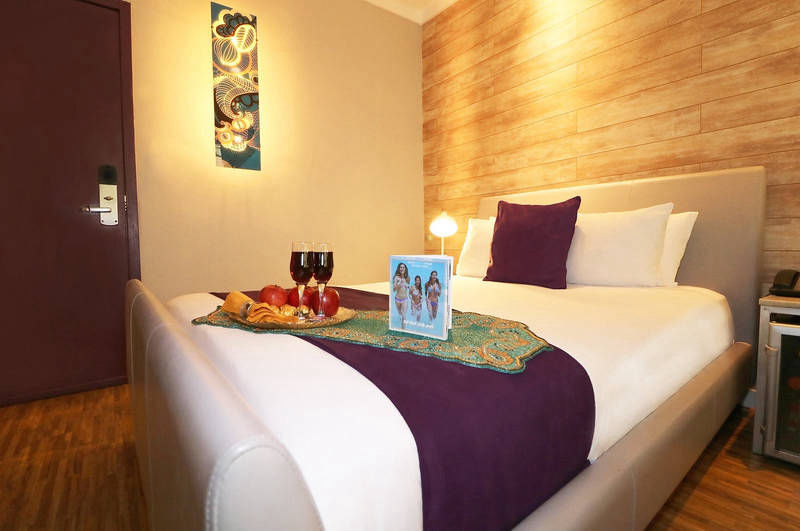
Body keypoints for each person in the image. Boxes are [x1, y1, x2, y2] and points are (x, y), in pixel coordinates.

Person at [393, 262, 410, 329]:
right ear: (399, 269)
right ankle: (400, 319)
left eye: (403, 267)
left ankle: (403, 330)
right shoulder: (396, 278)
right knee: (400, 313)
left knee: (404, 315)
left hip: (405, 299)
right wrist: (399, 284)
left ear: (405, 269)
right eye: (401, 267)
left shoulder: (408, 277)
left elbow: (407, 287)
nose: (402, 268)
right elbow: (394, 289)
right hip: (397, 299)